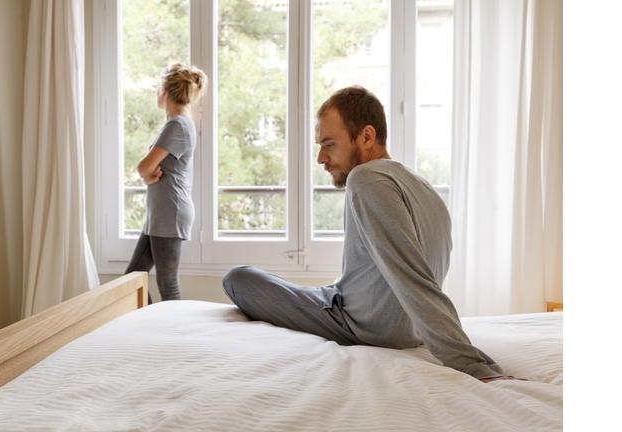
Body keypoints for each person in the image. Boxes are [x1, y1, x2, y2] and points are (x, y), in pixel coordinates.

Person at [222, 85, 519, 382]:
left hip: (360, 325)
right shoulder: (424, 188)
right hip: (406, 329)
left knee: (238, 278)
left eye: (329, 144)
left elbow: (411, 276)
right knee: (321, 288)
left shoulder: (366, 179)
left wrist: (473, 365)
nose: (321, 159)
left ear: (366, 136)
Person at [125, 62, 208, 305]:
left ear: (163, 90)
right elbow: (148, 170)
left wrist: (145, 174)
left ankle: (177, 338)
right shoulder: (180, 123)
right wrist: (147, 175)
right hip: (161, 214)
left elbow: (144, 167)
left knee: (168, 286)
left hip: (168, 213)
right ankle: (149, 326)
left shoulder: (178, 124)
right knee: (132, 279)